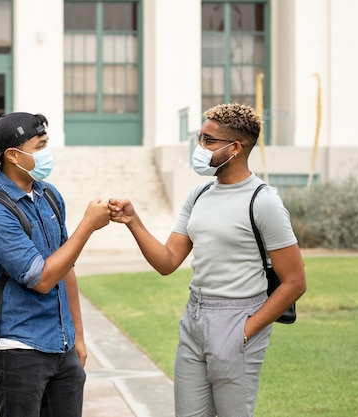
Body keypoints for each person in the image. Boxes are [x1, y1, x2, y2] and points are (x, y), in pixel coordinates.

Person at [108, 103, 307, 417]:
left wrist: (246, 329)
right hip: (195, 316)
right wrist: (134, 221)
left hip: (239, 317)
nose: (200, 147)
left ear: (236, 148)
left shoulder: (263, 201)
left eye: (208, 141)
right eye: (201, 138)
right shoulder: (198, 194)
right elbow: (168, 261)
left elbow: (295, 282)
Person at [0, 112, 110, 417]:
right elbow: (42, 278)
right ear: (12, 155)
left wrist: (78, 338)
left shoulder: (49, 195)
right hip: (18, 348)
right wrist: (87, 226)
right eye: (40, 145)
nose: (47, 153)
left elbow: (66, 266)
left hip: (61, 345)